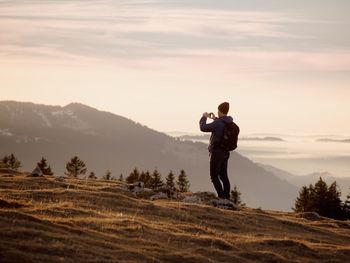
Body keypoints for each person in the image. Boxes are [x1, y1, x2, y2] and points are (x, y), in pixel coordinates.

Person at [199, 102, 233, 199]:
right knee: (224, 176)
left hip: (217, 153)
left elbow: (203, 127)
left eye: (218, 110)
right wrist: (215, 119)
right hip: (226, 152)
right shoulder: (229, 122)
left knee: (214, 177)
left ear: (220, 111)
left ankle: (222, 198)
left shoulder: (218, 123)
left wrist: (204, 117)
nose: (217, 112)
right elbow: (220, 125)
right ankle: (226, 197)